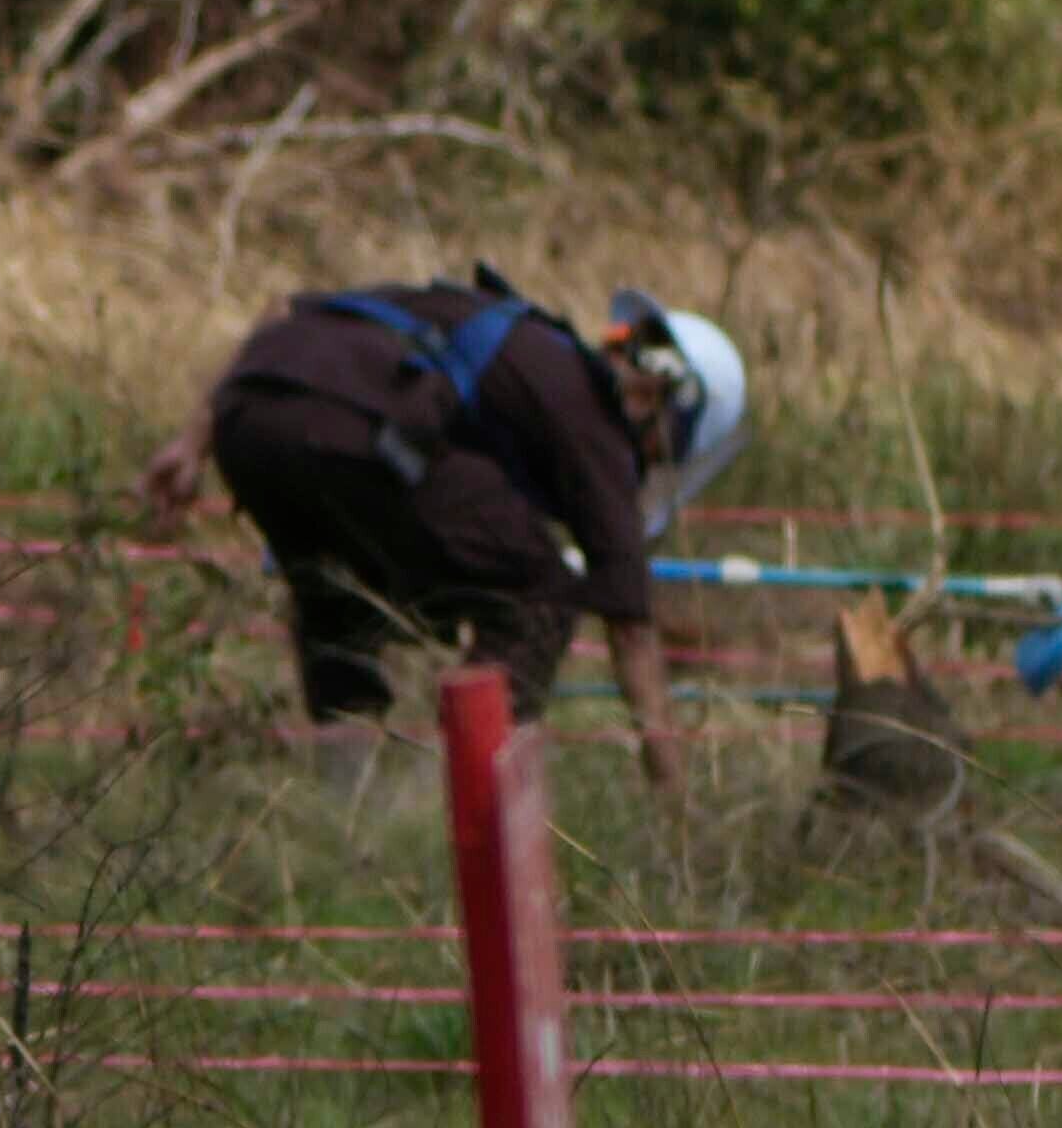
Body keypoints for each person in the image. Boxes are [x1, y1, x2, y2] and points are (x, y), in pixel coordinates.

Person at [139, 275, 743, 799]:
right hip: (356, 436)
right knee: (541, 598)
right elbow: (631, 629)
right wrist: (674, 799)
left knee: (339, 597)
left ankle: (346, 809)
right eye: (668, 448)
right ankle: (464, 800)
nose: (651, 460)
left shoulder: (493, 324)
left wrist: (193, 443)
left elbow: (281, 314)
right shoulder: (595, 421)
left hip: (246, 418)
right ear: (667, 405)